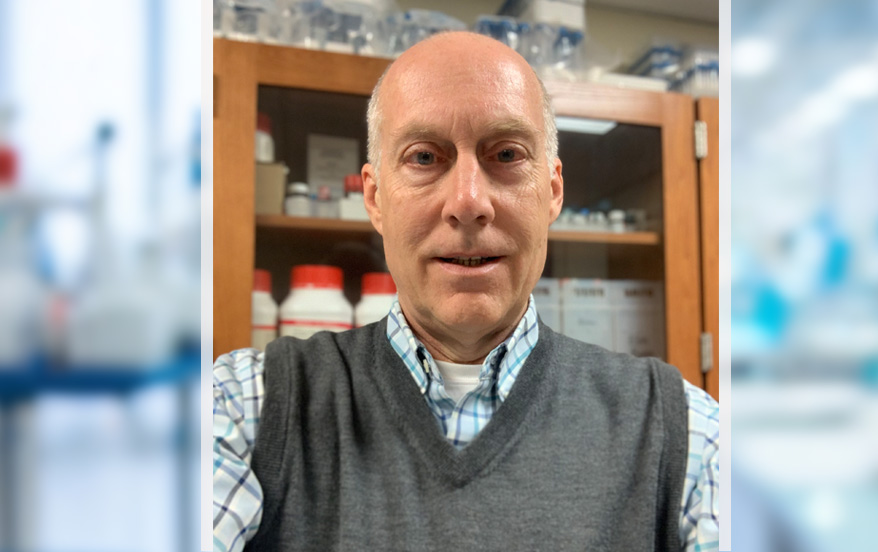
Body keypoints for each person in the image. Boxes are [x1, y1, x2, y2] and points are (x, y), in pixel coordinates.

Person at [214, 31, 719, 552]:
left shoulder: (682, 432)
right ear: (375, 197)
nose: (468, 201)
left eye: (506, 153)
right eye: (425, 158)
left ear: (552, 190)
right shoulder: (246, 409)